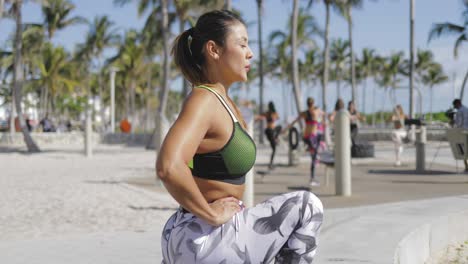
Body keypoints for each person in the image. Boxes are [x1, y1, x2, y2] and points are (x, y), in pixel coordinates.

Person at [157, 10, 323, 263]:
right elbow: (169, 166)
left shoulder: (223, 101)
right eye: (242, 43)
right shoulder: (204, 99)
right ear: (214, 50)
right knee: (306, 206)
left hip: (204, 233)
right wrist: (209, 214)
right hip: (205, 234)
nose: (250, 53)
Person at [286, 97, 323, 186]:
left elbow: (295, 120)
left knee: (314, 156)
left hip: (307, 137)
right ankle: (312, 178)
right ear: (313, 103)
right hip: (312, 137)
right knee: (314, 157)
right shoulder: (316, 111)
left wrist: (287, 128)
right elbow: (323, 115)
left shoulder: (304, 113)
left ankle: (313, 176)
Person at [256, 101, 282, 170]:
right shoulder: (274, 113)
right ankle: (270, 164)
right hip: (271, 131)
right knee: (274, 148)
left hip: (267, 131)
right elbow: (278, 118)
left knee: (274, 147)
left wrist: (257, 119)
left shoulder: (267, 113)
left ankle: (271, 164)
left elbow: (260, 117)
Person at [452, 99, 468, 170]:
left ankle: (466, 166)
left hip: (462, 132)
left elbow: (460, 123)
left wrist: (454, 125)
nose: (455, 107)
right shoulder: (466, 109)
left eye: (455, 105)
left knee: (462, 149)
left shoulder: (459, 111)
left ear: (457, 103)